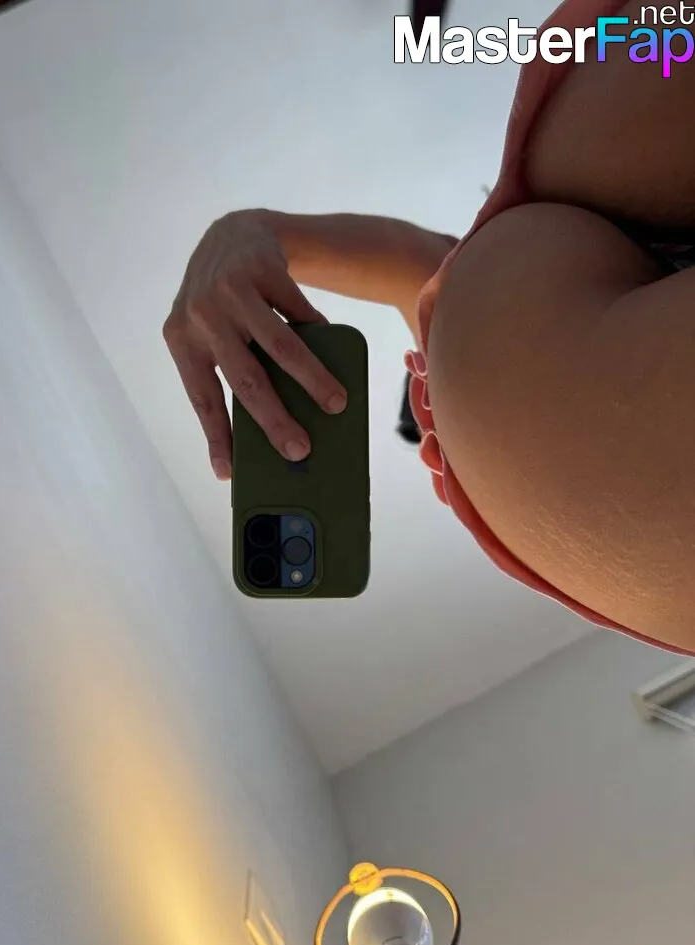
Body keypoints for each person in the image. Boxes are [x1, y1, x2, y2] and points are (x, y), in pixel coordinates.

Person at [163, 0, 695, 656]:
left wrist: (249, 229)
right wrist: (258, 229)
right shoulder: (478, 338)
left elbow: (420, 266)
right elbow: (417, 264)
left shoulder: (477, 335)